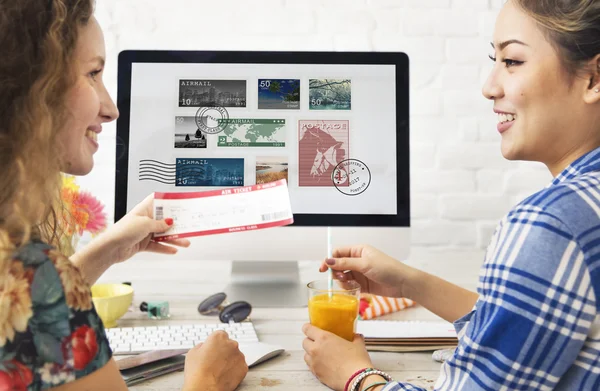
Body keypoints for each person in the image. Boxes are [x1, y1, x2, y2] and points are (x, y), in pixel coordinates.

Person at [302, 0, 600, 390]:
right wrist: (410, 283)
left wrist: (356, 376)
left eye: (512, 61)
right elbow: (526, 329)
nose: (489, 86)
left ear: (594, 79)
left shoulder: (551, 223)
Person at [0, 1, 248, 390]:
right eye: (93, 73)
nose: (112, 110)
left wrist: (106, 249)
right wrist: (207, 381)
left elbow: (16, 315)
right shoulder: (29, 271)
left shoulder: (15, 266)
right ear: (33, 89)